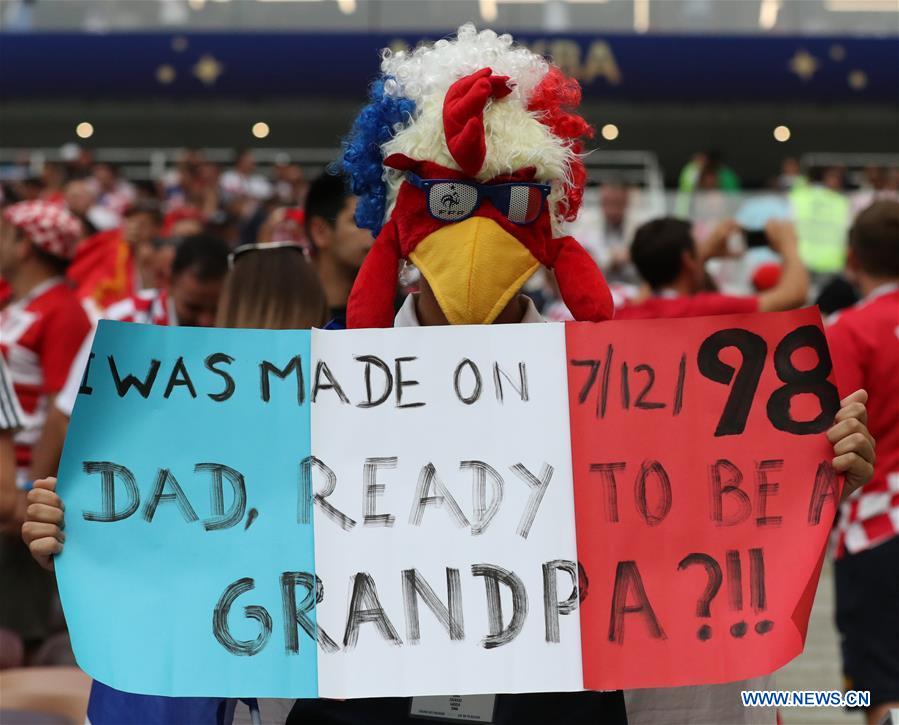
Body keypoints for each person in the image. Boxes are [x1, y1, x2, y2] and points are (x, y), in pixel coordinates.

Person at [22, 238, 325, 725]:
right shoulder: (157, 393)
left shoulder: (346, 414)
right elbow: (118, 520)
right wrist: (67, 532)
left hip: (245, 672)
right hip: (186, 677)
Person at [32, 233, 231, 479]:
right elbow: (66, 413)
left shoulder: (239, 330)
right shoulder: (124, 321)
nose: (206, 320)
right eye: (192, 307)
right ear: (167, 280)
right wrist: (33, 489)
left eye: (216, 307)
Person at [0, 199, 90, 662]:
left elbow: (64, 414)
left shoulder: (63, 312)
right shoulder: (19, 305)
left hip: (20, 492)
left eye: (5, 233)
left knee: (19, 628)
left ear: (27, 247)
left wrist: (30, 490)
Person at [826, 200, 899, 725]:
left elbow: (830, 441)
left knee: (880, 692)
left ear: (853, 259)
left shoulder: (848, 330)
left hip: (875, 528)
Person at [616, 217, 809, 320]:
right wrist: (788, 244)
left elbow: (650, 286)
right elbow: (793, 295)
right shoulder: (702, 310)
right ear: (687, 260)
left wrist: (700, 254)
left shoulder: (627, 314)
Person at [67, 200, 164, 312]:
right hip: (95, 307)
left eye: (142, 224)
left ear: (157, 229)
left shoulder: (161, 255)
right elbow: (78, 269)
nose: (135, 228)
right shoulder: (108, 241)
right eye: (131, 221)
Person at [304, 172, 373, 326]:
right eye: (360, 220)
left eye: (378, 220)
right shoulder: (290, 318)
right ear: (320, 232)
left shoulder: (400, 315)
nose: (375, 232)